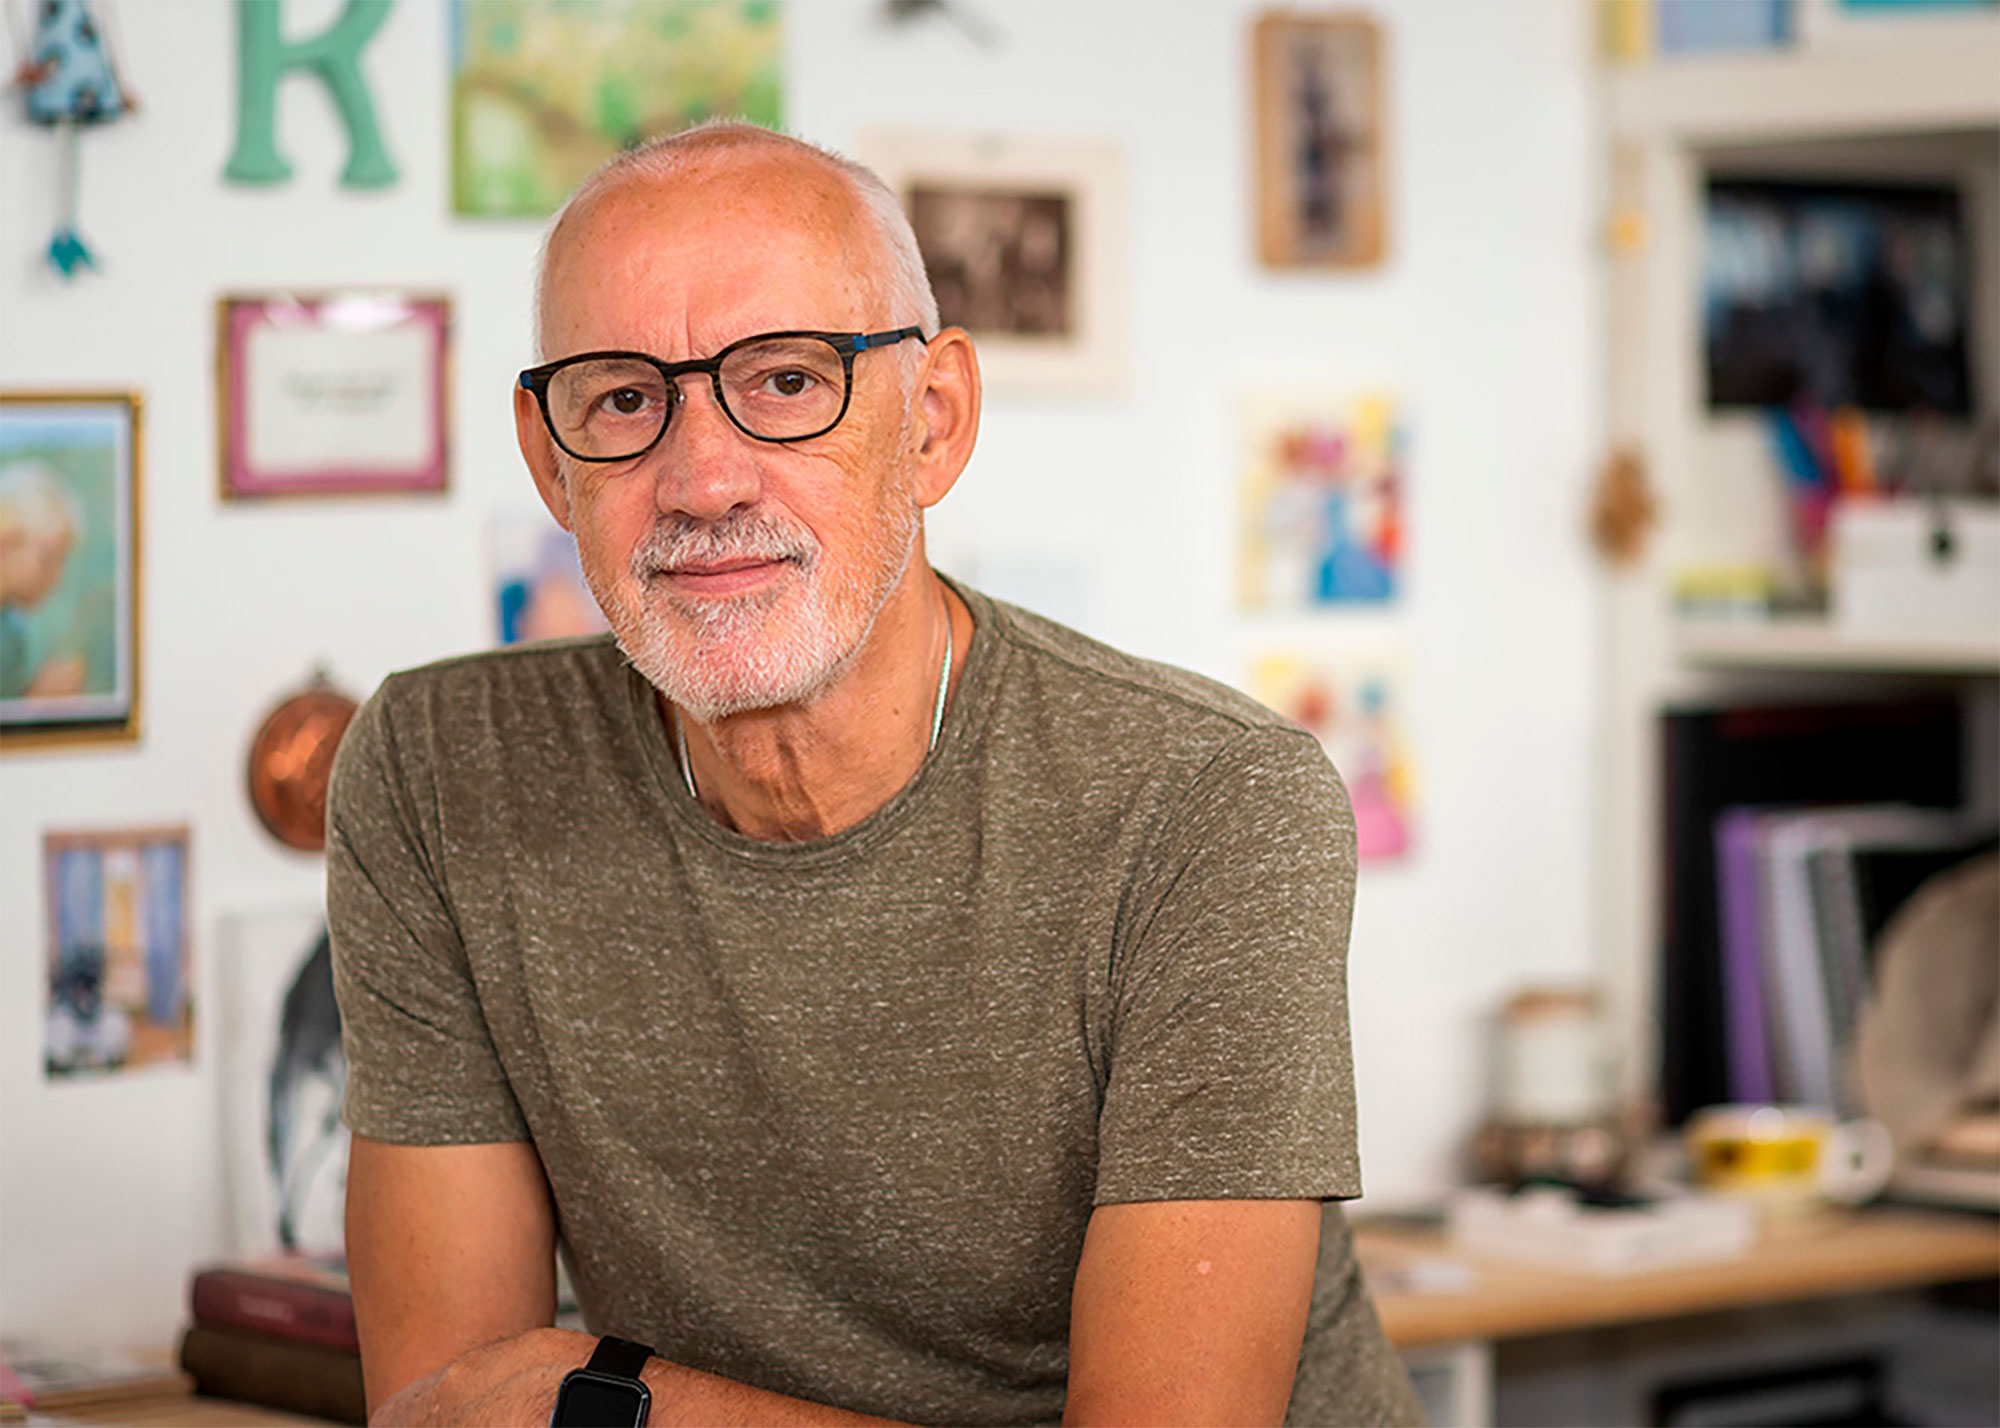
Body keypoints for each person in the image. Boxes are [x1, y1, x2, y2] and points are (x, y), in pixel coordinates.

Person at [329, 122, 1423, 1428]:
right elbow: (449, 1408)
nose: (702, 479)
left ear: (934, 423)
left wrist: (623, 1408)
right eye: (621, 400)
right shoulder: (439, 771)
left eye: (788, 381)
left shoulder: (1210, 802)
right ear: (547, 458)